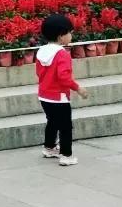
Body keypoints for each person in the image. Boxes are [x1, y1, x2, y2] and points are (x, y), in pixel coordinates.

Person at [36, 13, 86, 166]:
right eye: (69, 32)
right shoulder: (62, 54)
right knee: (65, 126)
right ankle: (66, 155)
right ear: (60, 36)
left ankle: (49, 147)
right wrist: (78, 88)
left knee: (52, 122)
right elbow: (64, 77)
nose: (71, 35)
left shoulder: (41, 51)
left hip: (44, 95)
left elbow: (39, 73)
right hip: (59, 97)